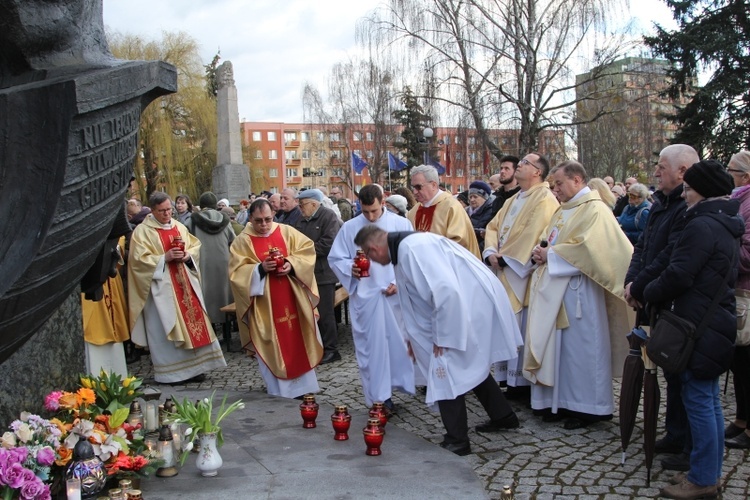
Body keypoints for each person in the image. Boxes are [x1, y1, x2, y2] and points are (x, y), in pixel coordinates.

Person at [353, 226, 522, 456]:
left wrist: (444, 336)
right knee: (468, 365)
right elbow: (415, 301)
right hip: (463, 307)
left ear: (373, 248)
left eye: (370, 256)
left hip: (462, 310)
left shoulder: (412, 250)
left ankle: (457, 440)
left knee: (446, 370)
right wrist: (412, 338)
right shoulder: (406, 248)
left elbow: (447, 293)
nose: (373, 261)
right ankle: (504, 417)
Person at [637, 160, 740, 499]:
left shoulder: (702, 225)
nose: (686, 192)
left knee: (700, 401)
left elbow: (679, 273)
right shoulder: (723, 222)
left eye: (691, 187)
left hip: (698, 325)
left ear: (704, 190)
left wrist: (646, 292)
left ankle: (703, 480)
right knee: (707, 401)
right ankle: (705, 473)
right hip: (711, 322)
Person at [525, 161, 632, 429]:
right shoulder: (564, 210)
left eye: (559, 184)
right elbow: (547, 238)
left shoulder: (595, 209)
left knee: (581, 350)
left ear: (577, 180)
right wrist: (540, 251)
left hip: (581, 292)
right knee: (559, 349)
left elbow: (592, 249)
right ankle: (557, 402)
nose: (555, 190)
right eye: (553, 185)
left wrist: (551, 254)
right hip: (555, 289)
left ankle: (589, 408)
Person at [624, 144, 700, 472]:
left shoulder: (687, 207)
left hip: (674, 302)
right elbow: (643, 247)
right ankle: (675, 432)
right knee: (668, 370)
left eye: (661, 167)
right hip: (651, 296)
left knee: (683, 373)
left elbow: (671, 256)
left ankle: (689, 444)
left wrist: (642, 287)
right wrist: (632, 282)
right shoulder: (660, 203)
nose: (655, 172)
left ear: (682, 171)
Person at [328, 185, 415, 412]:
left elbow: (411, 258)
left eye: (374, 211)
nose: (370, 217)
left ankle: (399, 386)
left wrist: (399, 283)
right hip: (367, 298)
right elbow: (336, 258)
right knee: (371, 350)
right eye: (365, 212)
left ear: (383, 201)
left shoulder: (401, 224)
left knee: (397, 346)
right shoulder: (350, 228)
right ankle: (379, 399)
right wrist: (351, 269)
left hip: (395, 298)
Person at [128, 192, 227, 384]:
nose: (167, 214)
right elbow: (137, 262)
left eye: (169, 210)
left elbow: (195, 247)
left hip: (185, 286)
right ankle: (172, 374)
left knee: (195, 326)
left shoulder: (179, 226)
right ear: (153, 210)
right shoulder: (143, 232)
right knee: (166, 330)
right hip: (161, 291)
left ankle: (197, 369)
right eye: (162, 211)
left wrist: (187, 256)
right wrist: (163, 258)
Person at [228, 198, 322, 398]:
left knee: (298, 339)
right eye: (258, 220)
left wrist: (291, 263)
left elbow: (307, 251)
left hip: (292, 298)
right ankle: (279, 390)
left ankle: (305, 388)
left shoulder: (287, 232)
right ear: (250, 219)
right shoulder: (242, 241)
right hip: (265, 306)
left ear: (274, 216)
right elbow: (236, 274)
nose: (263, 225)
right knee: (271, 342)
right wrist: (260, 269)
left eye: (268, 219)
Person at [483, 152, 559, 393]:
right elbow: (493, 226)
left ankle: (521, 382)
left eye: (526, 163)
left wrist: (505, 259)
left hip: (522, 272)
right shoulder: (513, 199)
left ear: (538, 172)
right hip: (503, 266)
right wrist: (491, 252)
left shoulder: (544, 198)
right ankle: (507, 378)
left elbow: (535, 233)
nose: (520, 165)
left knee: (522, 326)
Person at [293, 189, 343, 364]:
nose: (300, 208)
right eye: (299, 205)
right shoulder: (301, 220)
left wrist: (304, 253)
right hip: (305, 273)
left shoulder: (328, 216)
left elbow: (329, 243)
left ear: (314, 204)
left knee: (325, 313)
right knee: (311, 313)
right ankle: (317, 346)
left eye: (303, 204)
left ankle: (331, 349)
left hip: (323, 273)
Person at [726, 150, 750, 450]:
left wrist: (722, 252)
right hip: (736, 292)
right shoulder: (738, 201)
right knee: (738, 362)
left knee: (747, 362)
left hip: (747, 291)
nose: (726, 174)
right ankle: (742, 418)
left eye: (730, 170)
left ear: (744, 177)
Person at [184, 192, 236, 331]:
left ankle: (209, 328)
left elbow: (185, 240)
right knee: (224, 293)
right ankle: (226, 328)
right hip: (223, 262)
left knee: (206, 294)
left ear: (201, 205)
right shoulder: (224, 220)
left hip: (203, 262)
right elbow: (233, 241)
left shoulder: (192, 220)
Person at [407, 164, 480, 258]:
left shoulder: (452, 207)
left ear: (433, 185)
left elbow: (458, 243)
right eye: (413, 187)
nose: (414, 192)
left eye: (418, 187)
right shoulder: (414, 210)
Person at [467, 180, 495, 251]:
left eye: (475, 197)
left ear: (484, 197)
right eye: (470, 197)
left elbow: (489, 235)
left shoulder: (492, 211)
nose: (472, 200)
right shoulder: (465, 211)